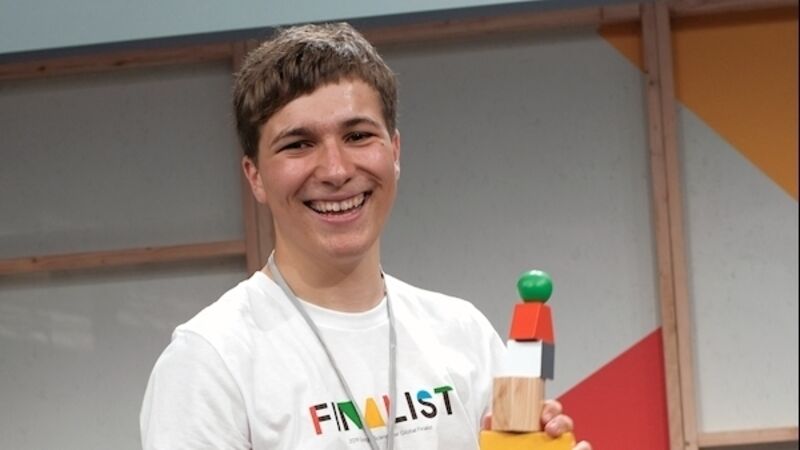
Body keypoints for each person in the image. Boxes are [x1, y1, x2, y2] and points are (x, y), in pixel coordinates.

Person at [140, 22, 591, 450]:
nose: (336, 170)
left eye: (357, 135)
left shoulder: (463, 334)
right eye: (298, 144)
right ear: (254, 175)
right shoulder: (210, 361)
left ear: (394, 151)